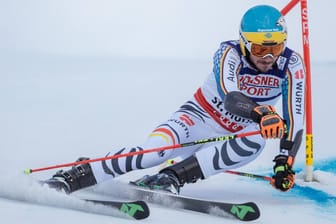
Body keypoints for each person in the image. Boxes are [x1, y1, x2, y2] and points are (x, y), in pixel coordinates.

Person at [44, 5, 305, 195]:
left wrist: (285, 162)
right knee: (155, 152)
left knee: (259, 137)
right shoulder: (228, 53)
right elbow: (231, 98)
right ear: (245, 43)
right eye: (260, 49)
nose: (268, 58)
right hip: (197, 119)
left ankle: (172, 177)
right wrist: (261, 112)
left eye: (276, 48)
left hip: (238, 132)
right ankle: (81, 173)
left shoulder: (291, 64)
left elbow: (295, 117)